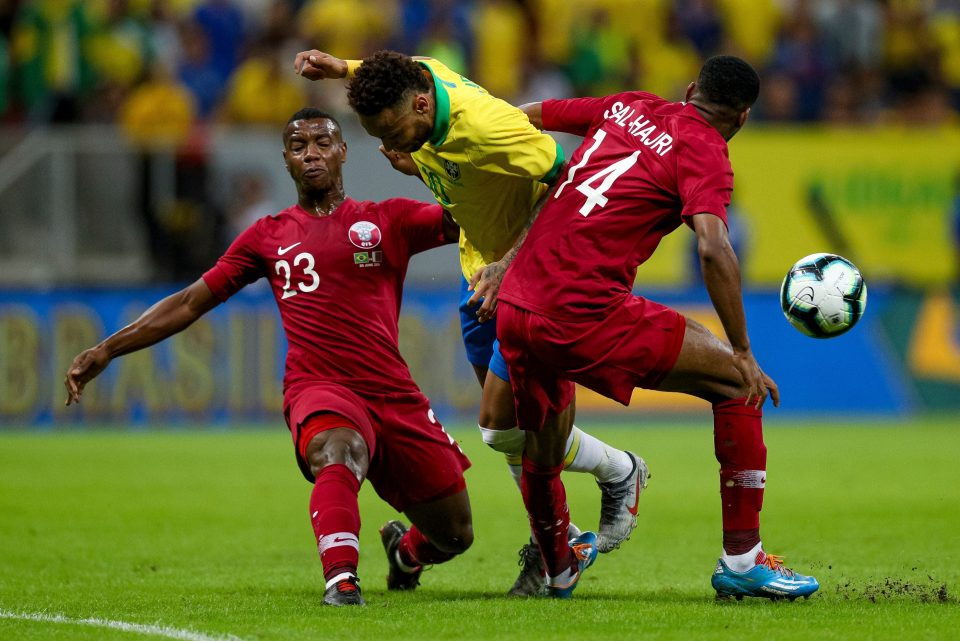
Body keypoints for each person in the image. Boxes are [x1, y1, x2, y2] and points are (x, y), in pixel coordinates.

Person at [64, 108, 473, 607]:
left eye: (322, 143)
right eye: (299, 146)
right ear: (286, 161)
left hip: (393, 393)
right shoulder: (268, 237)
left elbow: (469, 219)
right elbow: (192, 300)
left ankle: (405, 553)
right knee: (337, 453)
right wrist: (108, 347)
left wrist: (427, 167)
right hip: (320, 388)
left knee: (455, 534)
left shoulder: (386, 219)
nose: (312, 154)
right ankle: (342, 581)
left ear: (343, 151)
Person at [293, 48, 643, 596]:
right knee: (511, 432)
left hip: (529, 276)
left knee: (499, 426)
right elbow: (393, 72)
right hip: (478, 268)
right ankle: (555, 543)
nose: (393, 145)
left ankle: (612, 476)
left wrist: (510, 264)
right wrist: (341, 69)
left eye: (396, 132)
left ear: (421, 102)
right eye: (379, 136)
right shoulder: (416, 85)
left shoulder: (488, 127)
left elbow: (572, 182)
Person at [496, 56, 821, 600]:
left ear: (691, 88)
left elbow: (518, 117)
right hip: (579, 310)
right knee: (738, 384)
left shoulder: (629, 104)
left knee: (543, 443)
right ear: (741, 119)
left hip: (516, 303)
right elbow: (714, 248)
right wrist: (742, 349)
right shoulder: (707, 151)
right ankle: (742, 562)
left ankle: (556, 566)